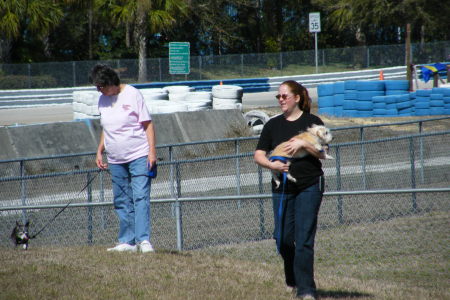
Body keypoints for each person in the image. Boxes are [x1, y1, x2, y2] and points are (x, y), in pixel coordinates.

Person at [254, 80, 326, 300]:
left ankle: (306, 290)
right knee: (282, 238)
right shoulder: (273, 125)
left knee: (303, 238)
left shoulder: (313, 122)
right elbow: (258, 155)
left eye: (285, 96)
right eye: (279, 97)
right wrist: (271, 165)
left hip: (310, 185)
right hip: (283, 187)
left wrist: (304, 145)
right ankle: (292, 277)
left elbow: (324, 152)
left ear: (297, 97)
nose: (281, 100)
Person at [89, 64, 157, 253]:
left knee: (140, 197)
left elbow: (148, 124)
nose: (98, 90)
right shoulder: (102, 100)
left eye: (100, 87)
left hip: (138, 155)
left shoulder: (132, 94)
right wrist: (99, 150)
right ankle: (127, 241)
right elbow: (107, 127)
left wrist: (152, 152)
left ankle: (143, 240)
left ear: (110, 83)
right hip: (116, 159)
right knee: (121, 199)